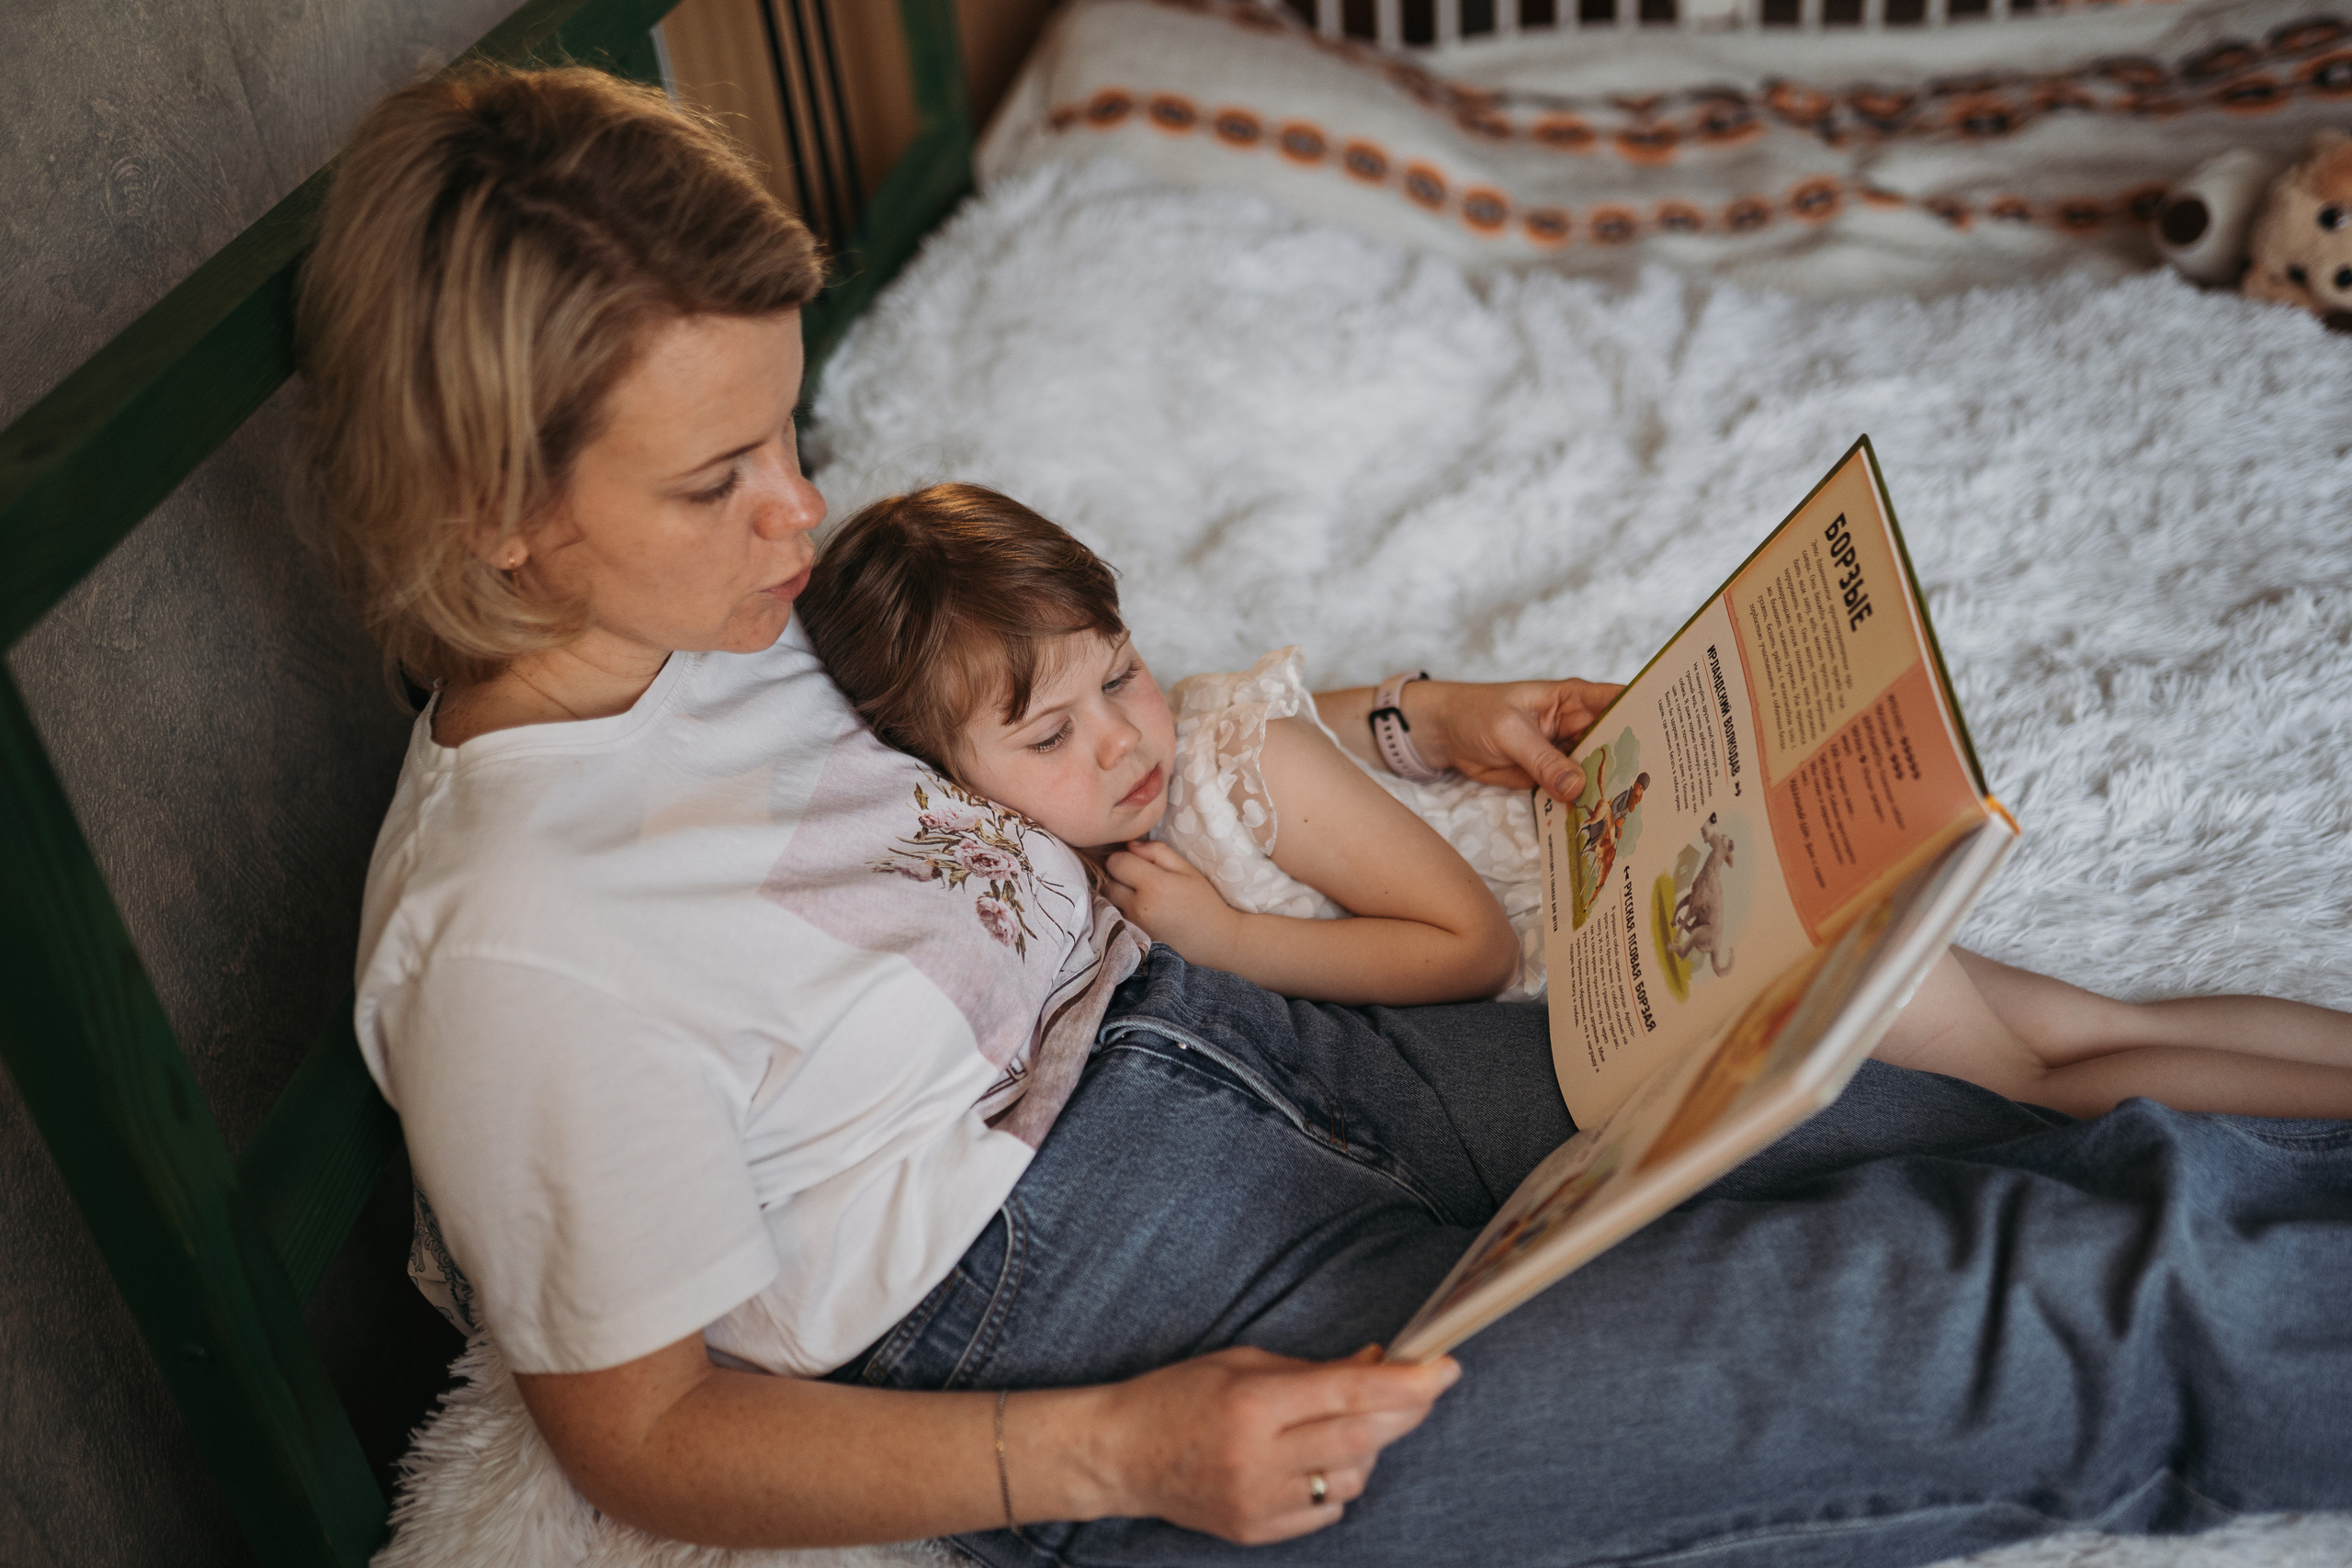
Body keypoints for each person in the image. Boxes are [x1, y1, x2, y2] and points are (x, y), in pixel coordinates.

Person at [310, 62, 2352, 1565]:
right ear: (497, 517)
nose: (800, 510)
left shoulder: (731, 616)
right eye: (716, 477)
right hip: (1108, 1314)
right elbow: (645, 1431)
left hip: (1268, 1039)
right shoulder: (512, 941)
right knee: (2037, 1312)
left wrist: (1408, 717)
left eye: (784, 434)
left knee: (1990, 1088)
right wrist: (1110, 1452)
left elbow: (1078, 717)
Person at [798, 483, 2352, 1122]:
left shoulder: (1206, 774)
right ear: (949, 782)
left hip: (1686, 921)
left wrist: (1237, 943)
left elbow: (1465, 946)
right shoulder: (1143, 812)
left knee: (2040, 1086)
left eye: (1121, 674)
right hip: (1674, 911)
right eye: (1049, 738)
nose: (1118, 742)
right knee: (2083, 1020)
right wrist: (1415, 719)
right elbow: (1325, 727)